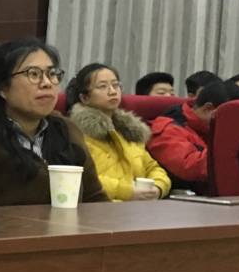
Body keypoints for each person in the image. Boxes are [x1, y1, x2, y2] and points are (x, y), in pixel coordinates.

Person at [0, 38, 108, 206]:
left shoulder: (67, 130)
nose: (47, 83)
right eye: (33, 74)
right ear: (2, 88)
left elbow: (96, 201)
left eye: (52, 74)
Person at [66, 63, 171, 201]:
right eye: (102, 86)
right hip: (100, 207)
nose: (112, 91)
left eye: (116, 85)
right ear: (84, 97)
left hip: (139, 207)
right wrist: (127, 192)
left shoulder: (128, 132)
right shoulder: (76, 133)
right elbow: (81, 179)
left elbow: (153, 168)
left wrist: (157, 188)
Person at [146, 79, 239, 192]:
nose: (232, 123)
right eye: (229, 118)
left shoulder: (212, 127)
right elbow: (189, 168)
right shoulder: (167, 129)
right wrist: (231, 144)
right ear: (208, 108)